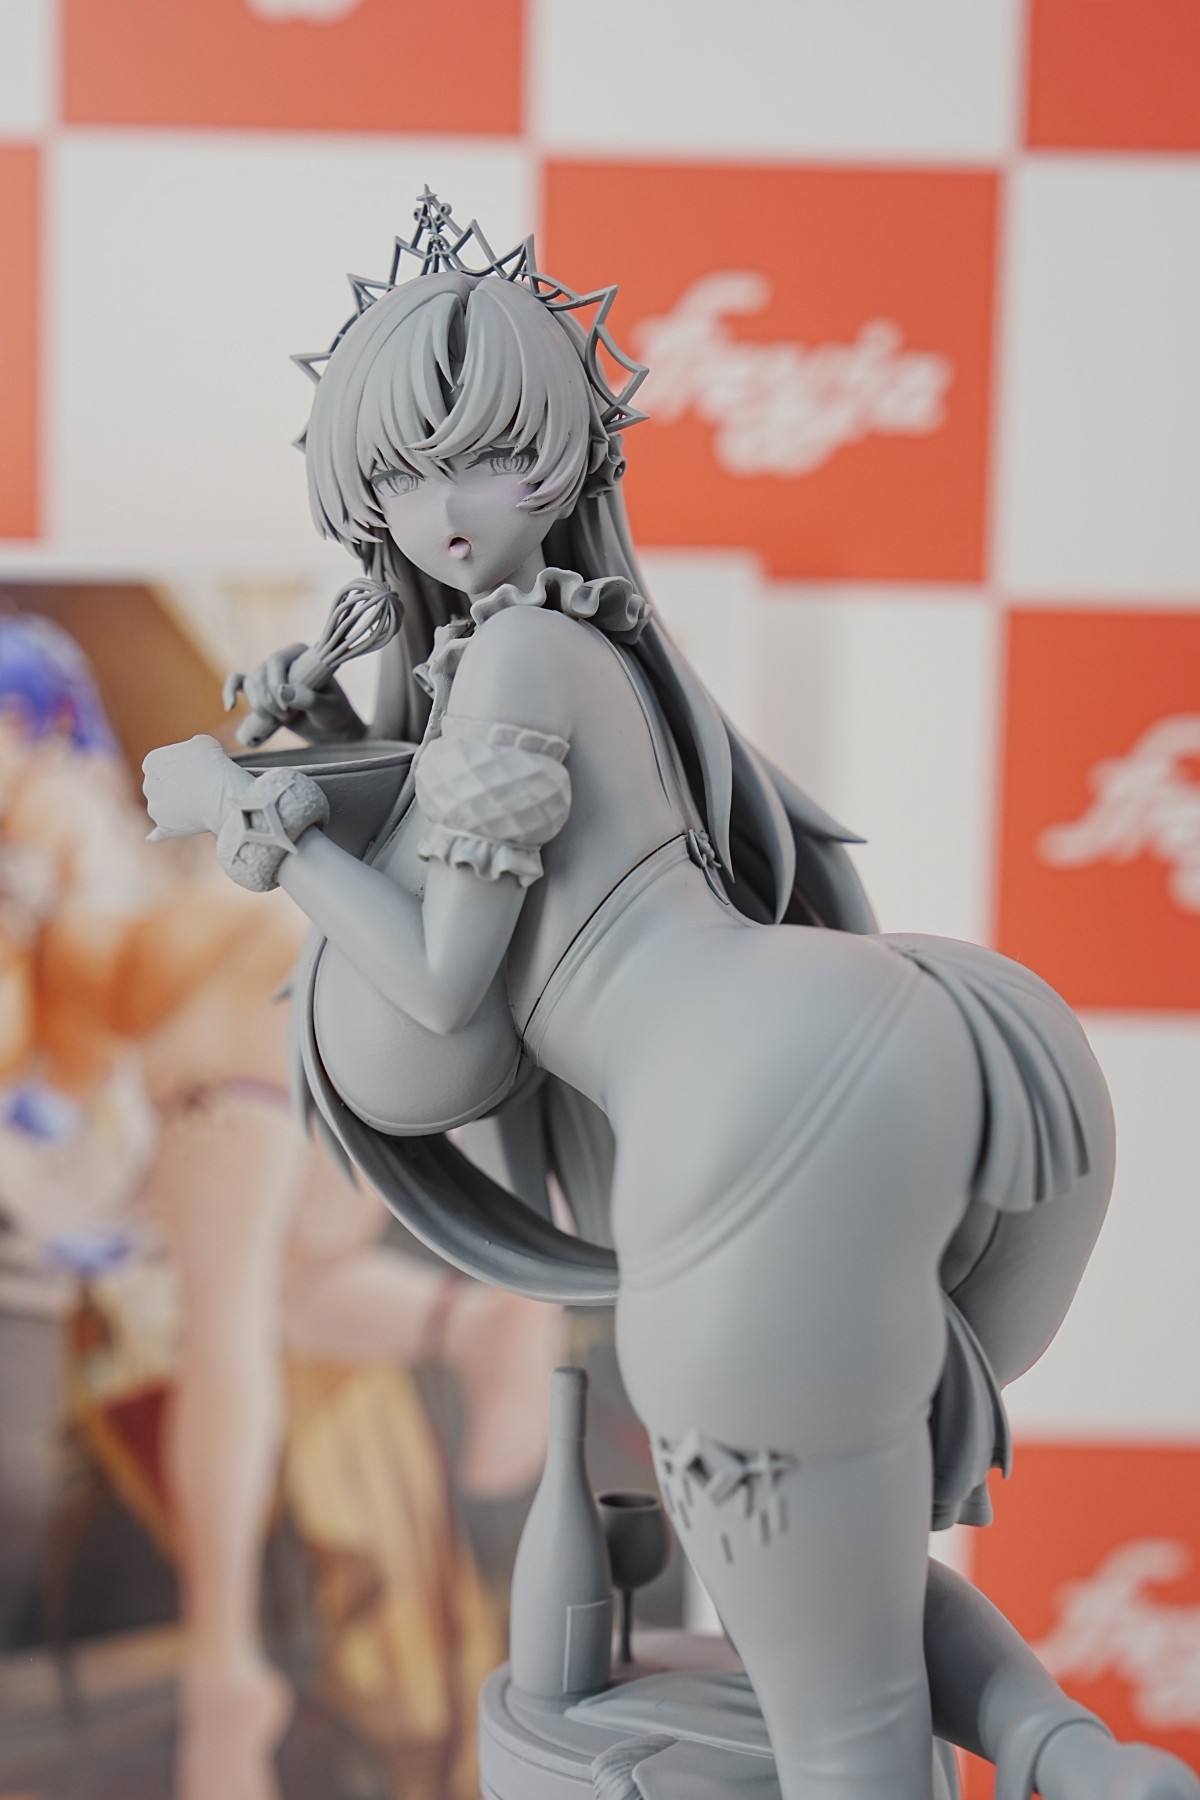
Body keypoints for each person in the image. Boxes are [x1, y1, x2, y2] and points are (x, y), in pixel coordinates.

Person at [142, 196, 1199, 1800]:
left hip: (736, 1106)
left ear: (571, 457)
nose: (444, 512)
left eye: (492, 458)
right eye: (402, 476)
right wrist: (326, 740)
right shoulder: (569, 650)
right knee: (825, 1560)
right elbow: (452, 836)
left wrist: (263, 826)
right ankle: (1062, 1744)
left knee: (828, 1693)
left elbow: (440, 981)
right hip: (882, 1026)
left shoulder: (518, 665)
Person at [0, 612, 556, 1800]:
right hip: (275, 1027)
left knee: (231, 1321)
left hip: (222, 1011)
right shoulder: (55, 841)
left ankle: (224, 1683)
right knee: (294, 1293)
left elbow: (72, 992)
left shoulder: (54, 822)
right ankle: (473, 1324)